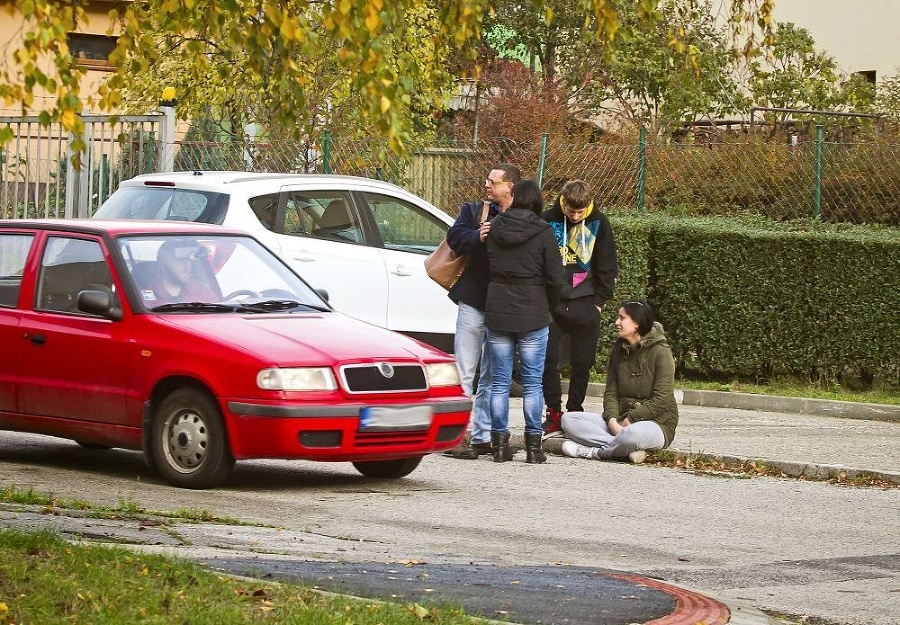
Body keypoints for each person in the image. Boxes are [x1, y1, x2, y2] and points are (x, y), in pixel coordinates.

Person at [443, 164, 522, 459]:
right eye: (487, 181)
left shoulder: (523, 217)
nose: (487, 185)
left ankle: (482, 435)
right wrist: (479, 237)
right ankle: (455, 436)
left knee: (492, 375)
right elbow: (455, 239)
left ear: (509, 187)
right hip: (473, 302)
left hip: (503, 307)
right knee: (464, 370)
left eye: (493, 181)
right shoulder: (475, 211)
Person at [484, 179, 565, 463]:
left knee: (499, 383)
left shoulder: (495, 227)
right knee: (532, 382)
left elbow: (489, 263)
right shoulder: (543, 231)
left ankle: (498, 446)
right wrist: (550, 305)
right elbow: (556, 277)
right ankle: (533, 448)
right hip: (533, 309)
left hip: (498, 307)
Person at [541, 179, 618, 434]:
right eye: (571, 211)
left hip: (585, 302)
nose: (575, 216)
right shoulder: (547, 219)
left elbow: (607, 264)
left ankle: (574, 412)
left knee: (582, 363)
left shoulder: (600, 223)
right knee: (548, 360)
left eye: (580, 212)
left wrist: (599, 301)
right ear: (563, 201)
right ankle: (553, 412)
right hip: (553, 303)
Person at [559, 300, 678, 463]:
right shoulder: (618, 350)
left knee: (631, 435)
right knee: (569, 420)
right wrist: (612, 420)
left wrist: (630, 420)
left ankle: (593, 452)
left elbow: (662, 398)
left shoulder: (661, 352)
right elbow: (611, 392)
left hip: (655, 424)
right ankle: (623, 449)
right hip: (619, 421)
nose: (616, 323)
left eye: (622, 318)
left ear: (636, 323)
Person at [137, 239, 219, 305]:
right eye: (180, 260)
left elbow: (218, 312)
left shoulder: (200, 289)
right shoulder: (145, 293)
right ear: (163, 266)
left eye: (188, 259)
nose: (186, 264)